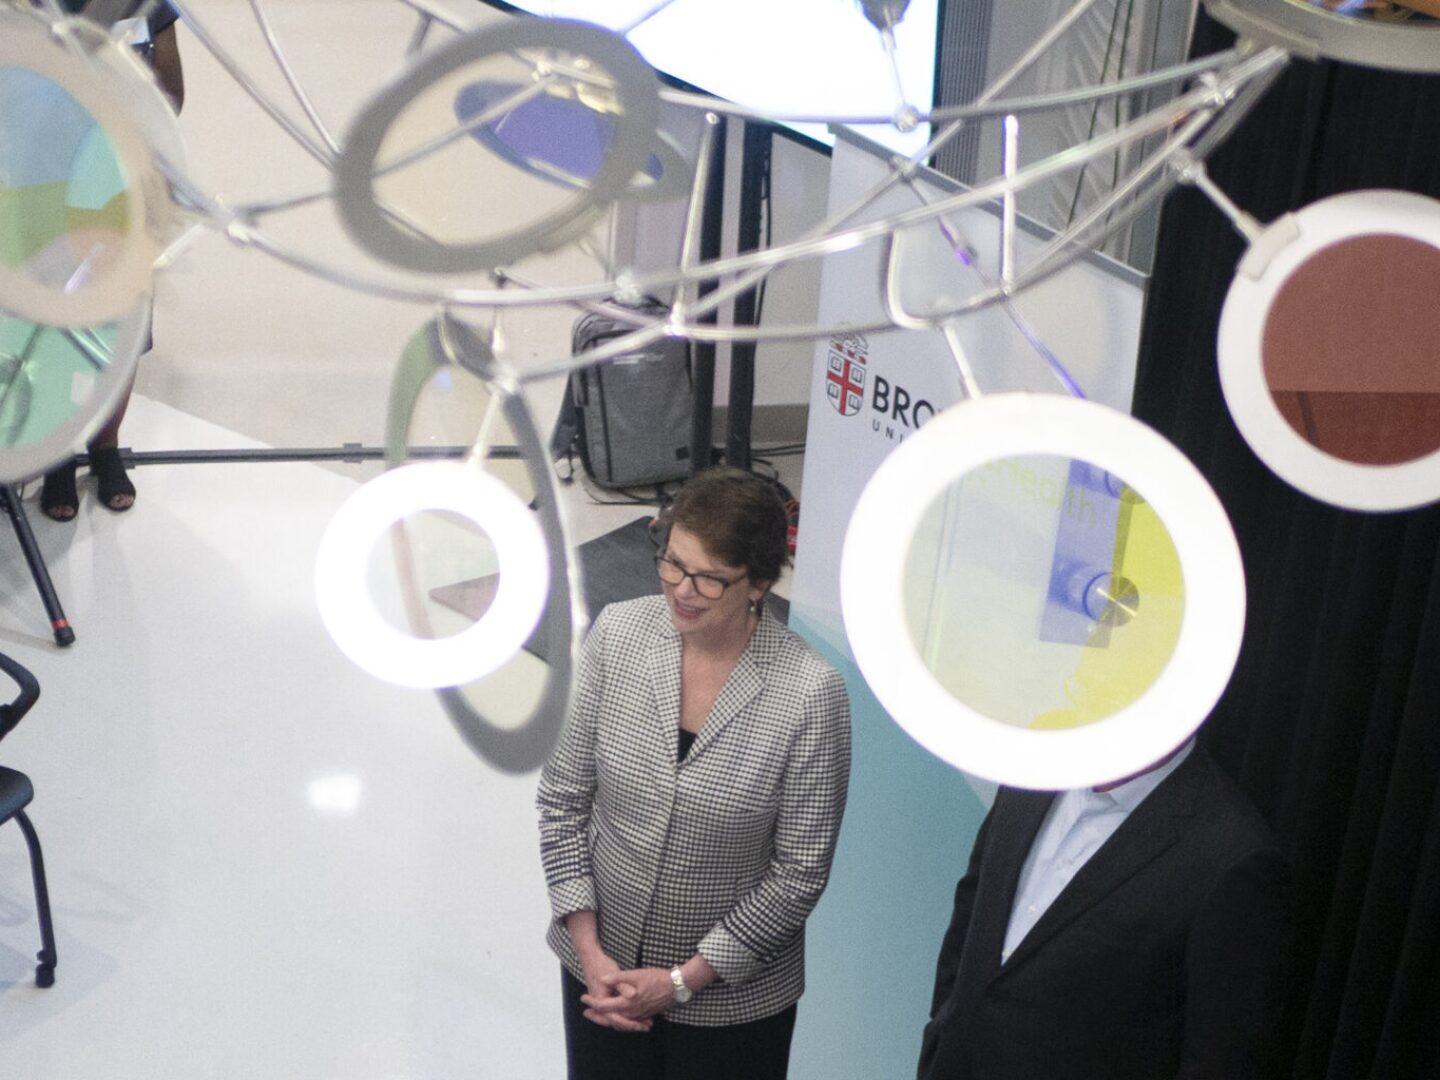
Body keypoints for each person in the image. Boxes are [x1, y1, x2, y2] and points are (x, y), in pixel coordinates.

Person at [536, 467, 852, 1080]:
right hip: (603, 982)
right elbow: (562, 800)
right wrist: (589, 952)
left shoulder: (812, 695)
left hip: (731, 1009)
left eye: (709, 579)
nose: (682, 589)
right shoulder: (618, 635)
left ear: (758, 582)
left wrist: (681, 982)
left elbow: (799, 874)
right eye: (673, 563)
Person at [918, 738, 1290, 1080]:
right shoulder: (1038, 758)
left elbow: (1219, 1062)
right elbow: (972, 910)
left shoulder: (1231, 857)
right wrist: (943, 1028)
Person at [40, 0, 185, 521]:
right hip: (43, 186)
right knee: (52, 324)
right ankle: (56, 452)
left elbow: (171, 96)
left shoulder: (150, 8)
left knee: (121, 323)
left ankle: (104, 448)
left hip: (122, 186)